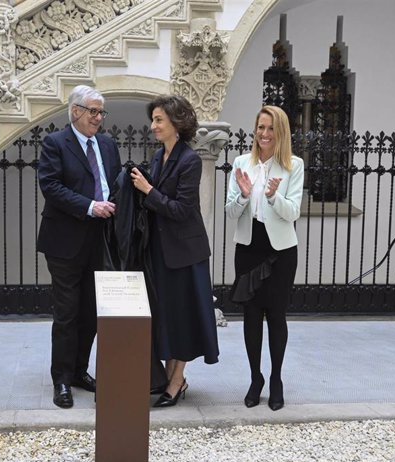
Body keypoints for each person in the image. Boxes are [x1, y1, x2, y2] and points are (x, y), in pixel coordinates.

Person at [130, 95, 219, 407]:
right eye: (153, 120)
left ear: (176, 124)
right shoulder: (158, 157)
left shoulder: (190, 161)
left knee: (182, 317)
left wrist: (148, 191)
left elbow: (181, 210)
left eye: (159, 120)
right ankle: (170, 378)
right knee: (167, 316)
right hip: (161, 252)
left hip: (185, 254)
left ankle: (177, 380)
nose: (153, 126)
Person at [37, 85, 122, 409]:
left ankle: (79, 371)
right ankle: (61, 379)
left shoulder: (108, 144)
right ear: (75, 111)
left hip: (100, 240)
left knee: (91, 312)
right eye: (93, 112)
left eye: (102, 112)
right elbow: (51, 186)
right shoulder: (55, 143)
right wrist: (90, 206)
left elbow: (113, 183)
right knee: (67, 313)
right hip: (65, 241)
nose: (99, 118)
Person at [224, 105, 304, 411]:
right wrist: (244, 195)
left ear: (280, 132)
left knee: (277, 317)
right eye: (260, 127)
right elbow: (231, 212)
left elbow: (292, 212)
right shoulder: (242, 163)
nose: (264, 134)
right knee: (251, 317)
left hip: (280, 251)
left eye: (270, 128)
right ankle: (255, 378)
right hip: (248, 248)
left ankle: (276, 379)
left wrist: (273, 196)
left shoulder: (293, 166)